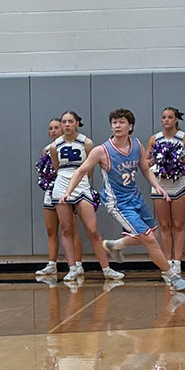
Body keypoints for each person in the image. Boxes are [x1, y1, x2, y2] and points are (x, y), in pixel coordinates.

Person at [62, 108, 185, 291]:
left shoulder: (137, 144)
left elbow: (145, 169)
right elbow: (80, 171)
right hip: (118, 203)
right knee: (150, 240)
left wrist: (157, 186)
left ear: (130, 126)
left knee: (151, 235)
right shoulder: (102, 150)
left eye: (121, 122)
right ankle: (171, 277)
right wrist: (68, 192)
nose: (117, 126)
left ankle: (116, 245)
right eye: (114, 123)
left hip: (135, 197)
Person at [49, 111, 123, 282]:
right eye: (64, 122)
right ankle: (73, 268)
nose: (66, 125)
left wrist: (79, 179)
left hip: (81, 185)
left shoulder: (87, 142)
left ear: (77, 123)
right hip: (61, 185)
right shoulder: (55, 146)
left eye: (70, 121)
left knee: (92, 229)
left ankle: (107, 268)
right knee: (66, 229)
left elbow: (90, 170)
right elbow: (56, 168)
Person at [146, 107, 185, 276]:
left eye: (170, 117)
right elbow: (146, 162)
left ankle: (177, 262)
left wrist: (180, 160)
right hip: (160, 184)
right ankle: (167, 263)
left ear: (176, 119)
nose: (167, 120)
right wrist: (156, 159)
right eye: (164, 117)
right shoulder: (155, 138)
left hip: (179, 184)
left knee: (178, 224)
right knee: (164, 225)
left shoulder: (184, 138)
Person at [35, 118, 83, 278]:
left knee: (70, 229)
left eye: (56, 127)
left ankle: (78, 264)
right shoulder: (47, 149)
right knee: (50, 229)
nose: (53, 130)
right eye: (50, 128)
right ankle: (52, 264)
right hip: (50, 191)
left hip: (66, 192)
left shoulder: (72, 146)